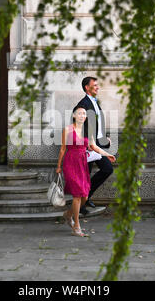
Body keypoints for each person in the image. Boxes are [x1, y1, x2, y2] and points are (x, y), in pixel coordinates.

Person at [56, 106, 116, 237]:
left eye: (84, 114)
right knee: (77, 195)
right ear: (74, 116)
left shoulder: (88, 131)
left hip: (82, 164)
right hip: (70, 162)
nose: (82, 116)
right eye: (79, 113)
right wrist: (58, 166)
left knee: (85, 196)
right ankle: (76, 226)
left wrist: (107, 155)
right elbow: (62, 149)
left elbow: (94, 147)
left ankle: (68, 214)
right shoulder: (67, 130)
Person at [75, 77, 114, 215]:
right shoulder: (83, 104)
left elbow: (97, 126)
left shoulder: (95, 103)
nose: (97, 87)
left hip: (97, 144)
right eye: (95, 85)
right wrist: (86, 143)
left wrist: (104, 139)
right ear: (87, 87)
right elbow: (77, 126)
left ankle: (87, 197)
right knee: (86, 175)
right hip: (87, 146)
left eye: (97, 85)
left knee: (107, 169)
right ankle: (81, 205)